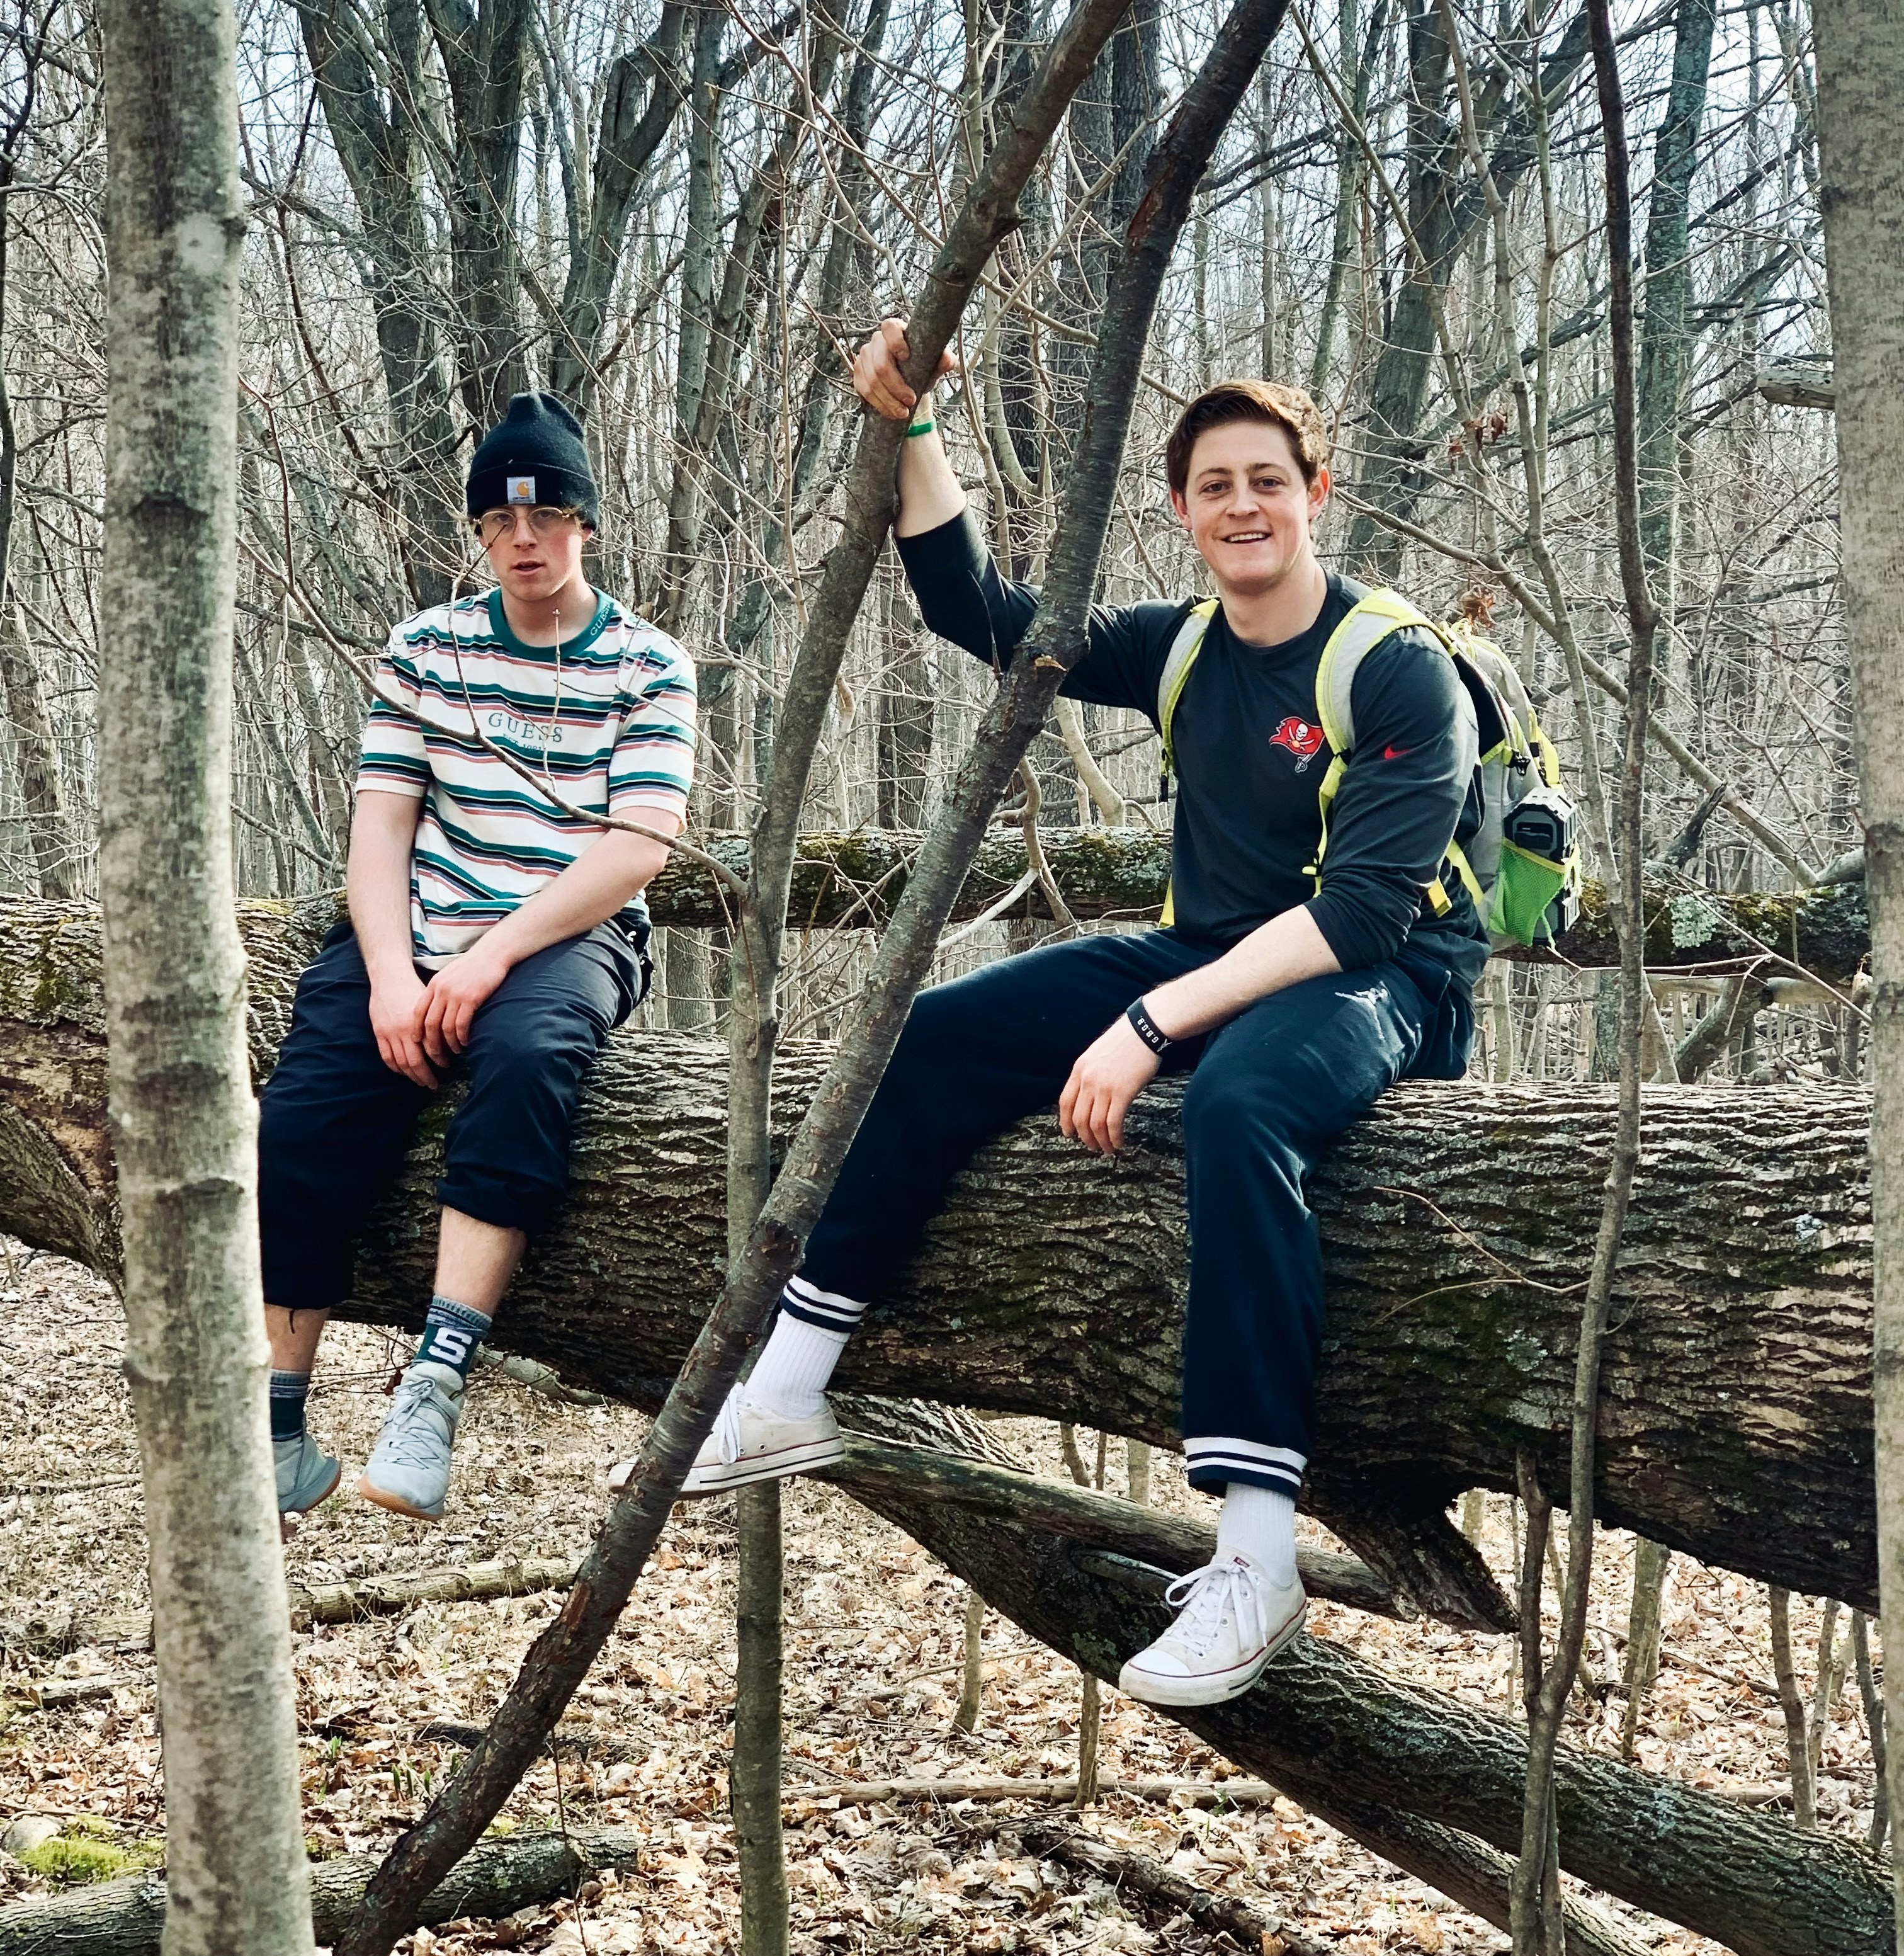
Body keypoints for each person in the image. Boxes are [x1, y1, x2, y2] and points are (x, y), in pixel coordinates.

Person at [636, 321, 1487, 1710]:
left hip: (1385, 978)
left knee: (1242, 1102)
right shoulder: (1185, 648)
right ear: (1181, 511)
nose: (1243, 506)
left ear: (1314, 493)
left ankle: (1256, 1556)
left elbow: (1361, 919)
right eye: (1215, 485)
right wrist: (910, 422)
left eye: (1268, 479)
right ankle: (792, 1382)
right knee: (941, 1034)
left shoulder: (1395, 667)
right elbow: (983, 613)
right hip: (1216, 948)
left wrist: (1150, 1027)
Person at [263, 392, 696, 1523]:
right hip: (417, 924)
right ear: (479, 532)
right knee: (308, 1098)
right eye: (502, 521)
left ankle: (436, 1379)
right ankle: (275, 1419)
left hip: (567, 930)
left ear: (585, 524)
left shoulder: (650, 665)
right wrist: (398, 971)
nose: (526, 540)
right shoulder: (426, 647)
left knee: (528, 1062)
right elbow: (379, 829)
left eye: (549, 514)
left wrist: (482, 963)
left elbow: (636, 851)